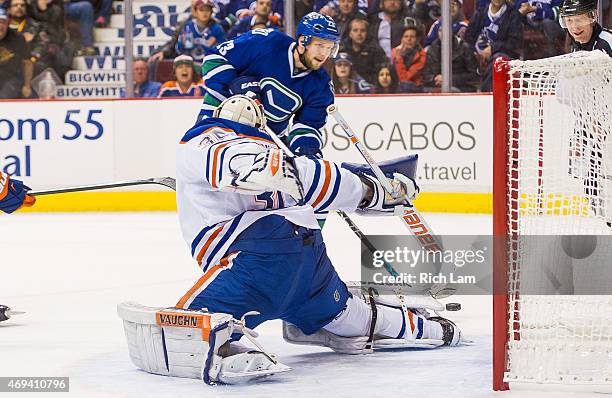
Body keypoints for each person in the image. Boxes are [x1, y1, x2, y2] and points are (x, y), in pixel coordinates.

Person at [118, 93, 463, 385]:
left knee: (187, 329)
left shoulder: (204, 138)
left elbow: (252, 165)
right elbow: (313, 178)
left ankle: (231, 346)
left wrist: (252, 169)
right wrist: (373, 190)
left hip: (257, 265)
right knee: (349, 316)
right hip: (311, 267)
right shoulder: (278, 147)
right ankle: (431, 331)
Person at [198, 12, 341, 159]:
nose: (324, 53)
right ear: (303, 40)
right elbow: (214, 58)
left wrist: (306, 150)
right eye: (320, 45)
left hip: (265, 141)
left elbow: (308, 126)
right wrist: (235, 83)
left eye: (329, 48)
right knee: (203, 162)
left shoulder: (321, 86)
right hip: (221, 117)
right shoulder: (266, 42)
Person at [464, 0, 523, 91]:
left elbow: (514, 43)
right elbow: (468, 36)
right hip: (477, 55)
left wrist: (493, 48)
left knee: (497, 61)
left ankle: (487, 95)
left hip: (501, 54)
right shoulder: (481, 12)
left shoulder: (513, 14)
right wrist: (473, 52)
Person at [422, 27, 479, 92]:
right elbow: (426, 75)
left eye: (446, 30)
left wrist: (449, 79)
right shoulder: (432, 49)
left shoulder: (464, 48)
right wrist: (435, 79)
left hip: (462, 88)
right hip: (436, 87)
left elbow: (474, 75)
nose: (443, 33)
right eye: (440, 30)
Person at [340, 17, 387, 85]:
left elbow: (381, 74)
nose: (359, 34)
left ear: (367, 33)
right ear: (350, 34)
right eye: (355, 30)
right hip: (347, 87)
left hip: (371, 88)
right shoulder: (342, 50)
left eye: (362, 30)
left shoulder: (376, 51)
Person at [0, 7, 33, 98]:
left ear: (8, 23)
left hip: (12, 79)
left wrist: (27, 86)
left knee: (4, 97)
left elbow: (28, 63)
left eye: (3, 22)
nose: (0, 26)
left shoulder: (18, 39)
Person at [391, 24, 426, 92]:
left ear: (417, 39)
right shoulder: (394, 51)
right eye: (406, 36)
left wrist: (398, 58)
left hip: (414, 88)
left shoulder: (422, 55)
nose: (408, 39)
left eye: (412, 37)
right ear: (402, 39)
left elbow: (404, 78)